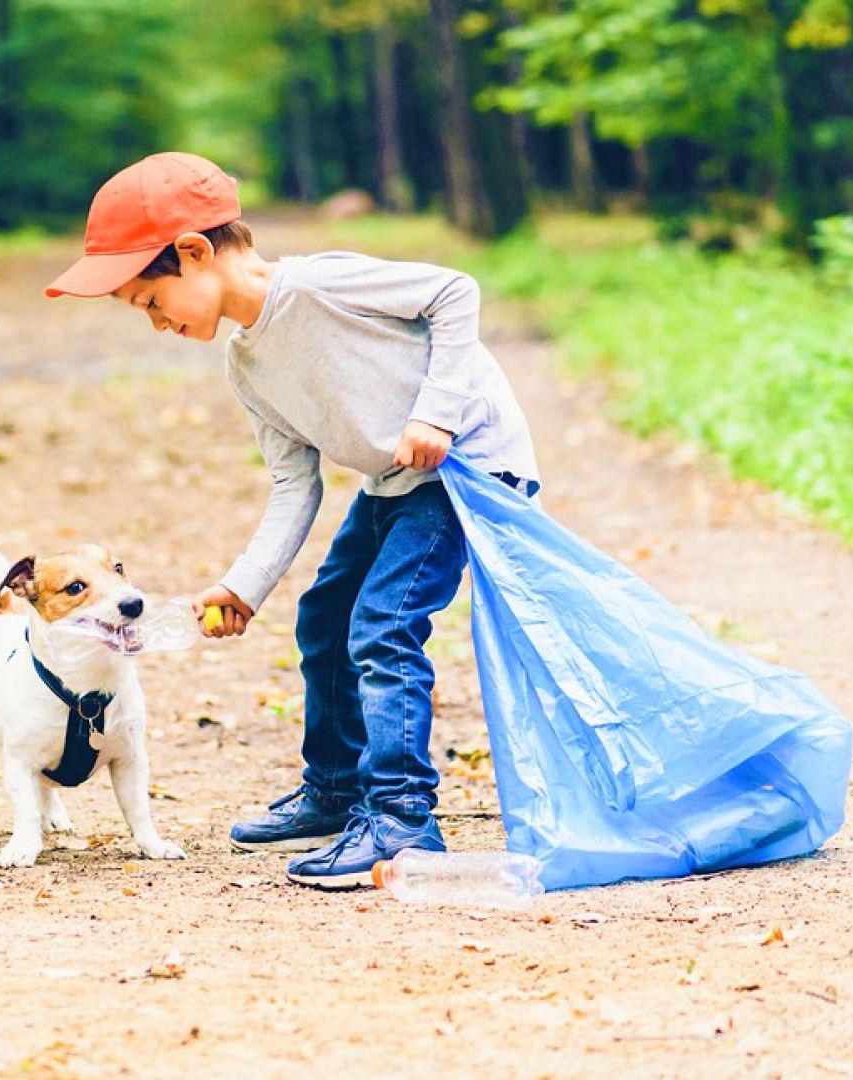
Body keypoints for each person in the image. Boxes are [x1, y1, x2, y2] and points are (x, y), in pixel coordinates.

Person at [45, 152, 541, 888]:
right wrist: (243, 586)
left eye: (151, 301)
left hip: (468, 467)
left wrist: (435, 411)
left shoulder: (318, 285)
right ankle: (337, 791)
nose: (155, 323)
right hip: (396, 480)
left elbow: (453, 291)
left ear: (192, 253)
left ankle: (402, 818)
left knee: (380, 624)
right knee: (324, 616)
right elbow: (291, 485)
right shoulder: (247, 364)